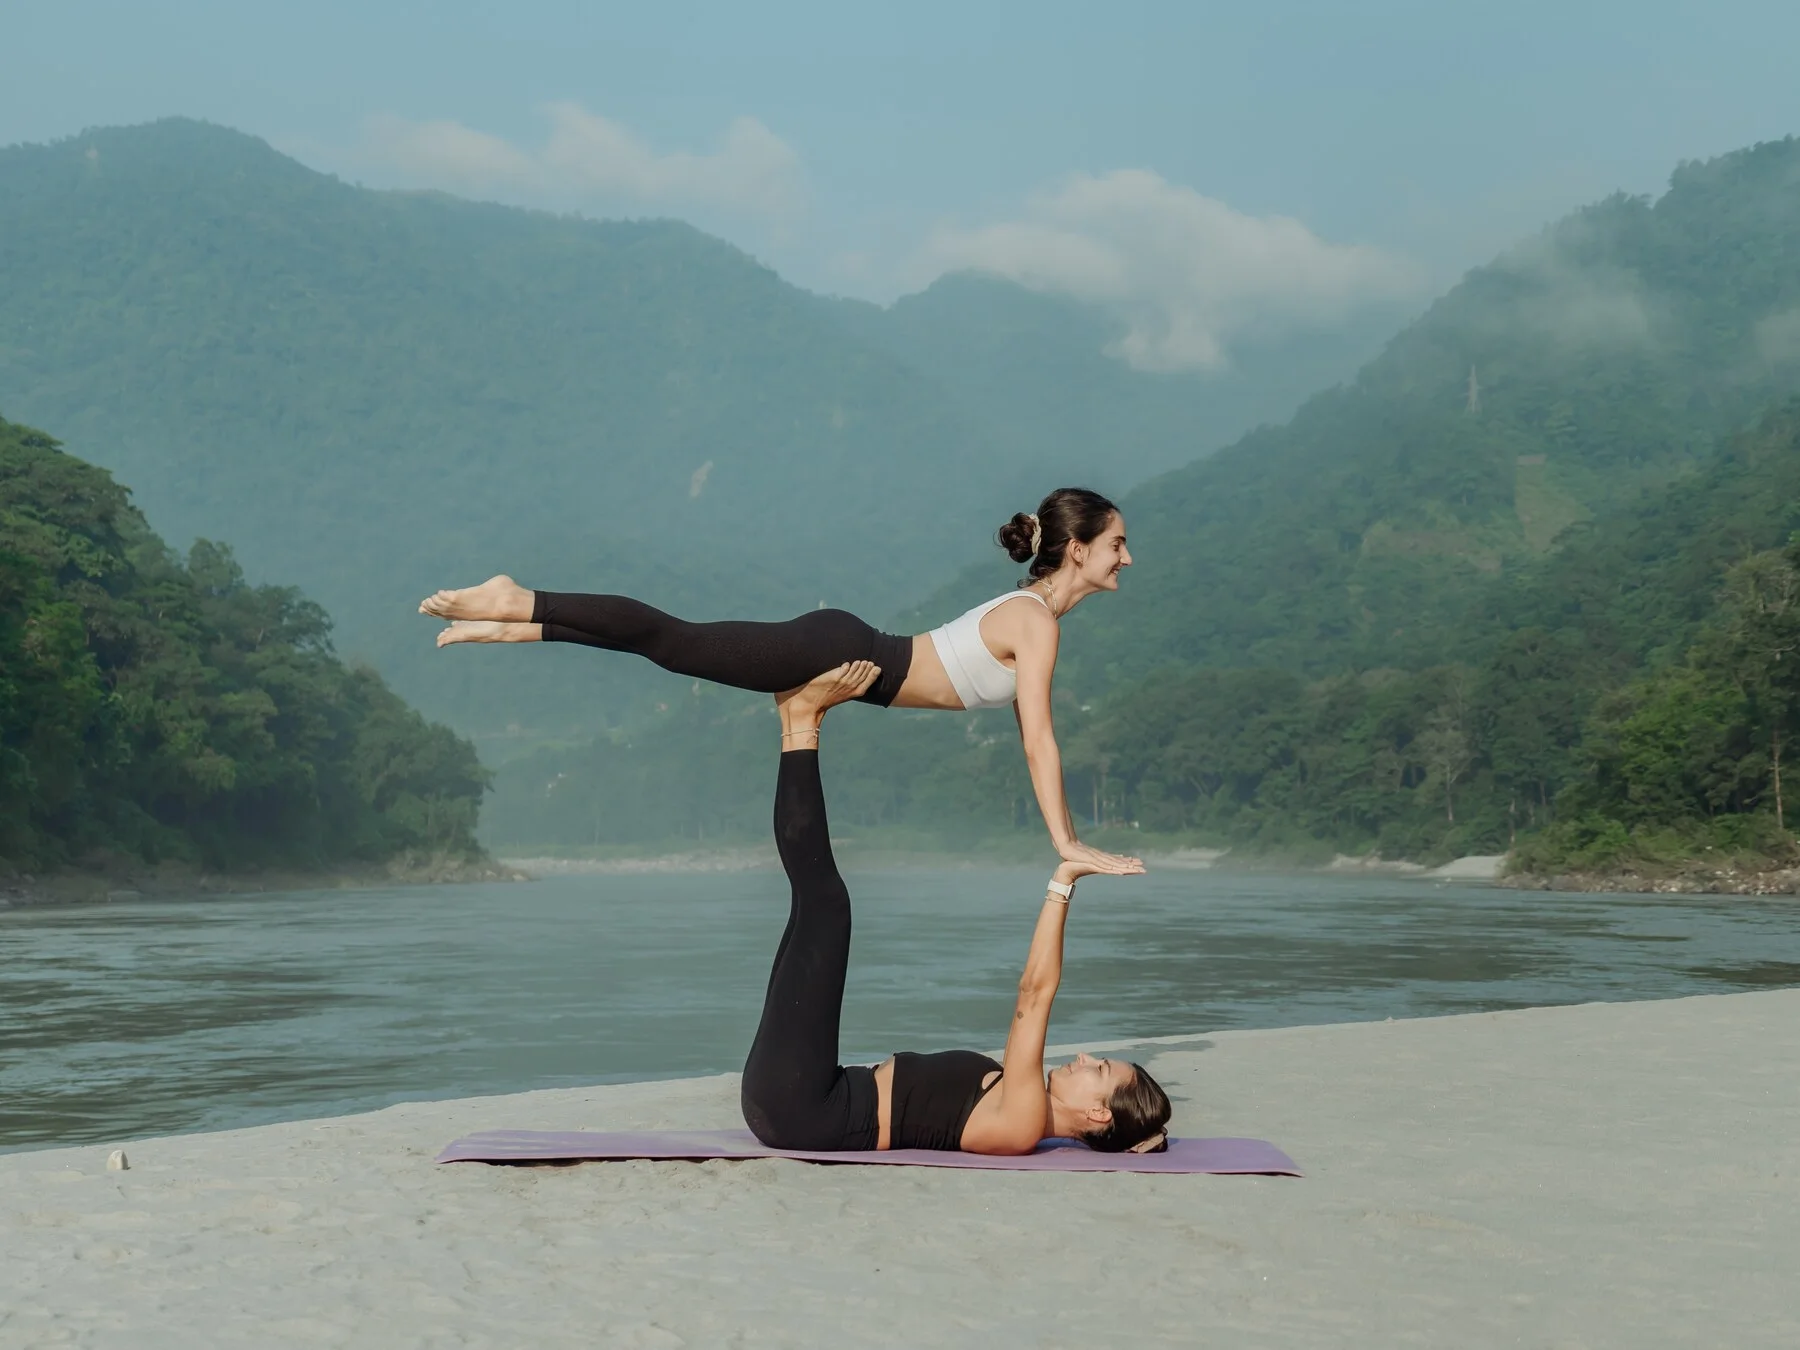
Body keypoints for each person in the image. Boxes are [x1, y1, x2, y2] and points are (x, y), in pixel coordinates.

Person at [419, 487, 1141, 873]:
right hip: (837, 651)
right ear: (1075, 551)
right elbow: (1040, 743)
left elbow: (1031, 737)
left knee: (669, 648)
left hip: (845, 651)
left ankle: (518, 622)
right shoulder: (1035, 623)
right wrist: (1067, 843)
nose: (1126, 558)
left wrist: (1065, 837)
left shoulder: (1033, 619)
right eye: (1116, 544)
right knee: (673, 639)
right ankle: (518, 598)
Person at [738, 658, 1171, 1155]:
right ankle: (798, 723)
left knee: (826, 906)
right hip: (802, 1097)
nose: (1085, 1057)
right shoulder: (1018, 1102)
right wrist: (1149, 1131)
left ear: (1098, 1112)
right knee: (811, 906)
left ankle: (800, 723)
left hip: (803, 1106)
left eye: (1100, 1069)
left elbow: (1035, 993)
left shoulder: (1023, 1118)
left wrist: (1063, 881)